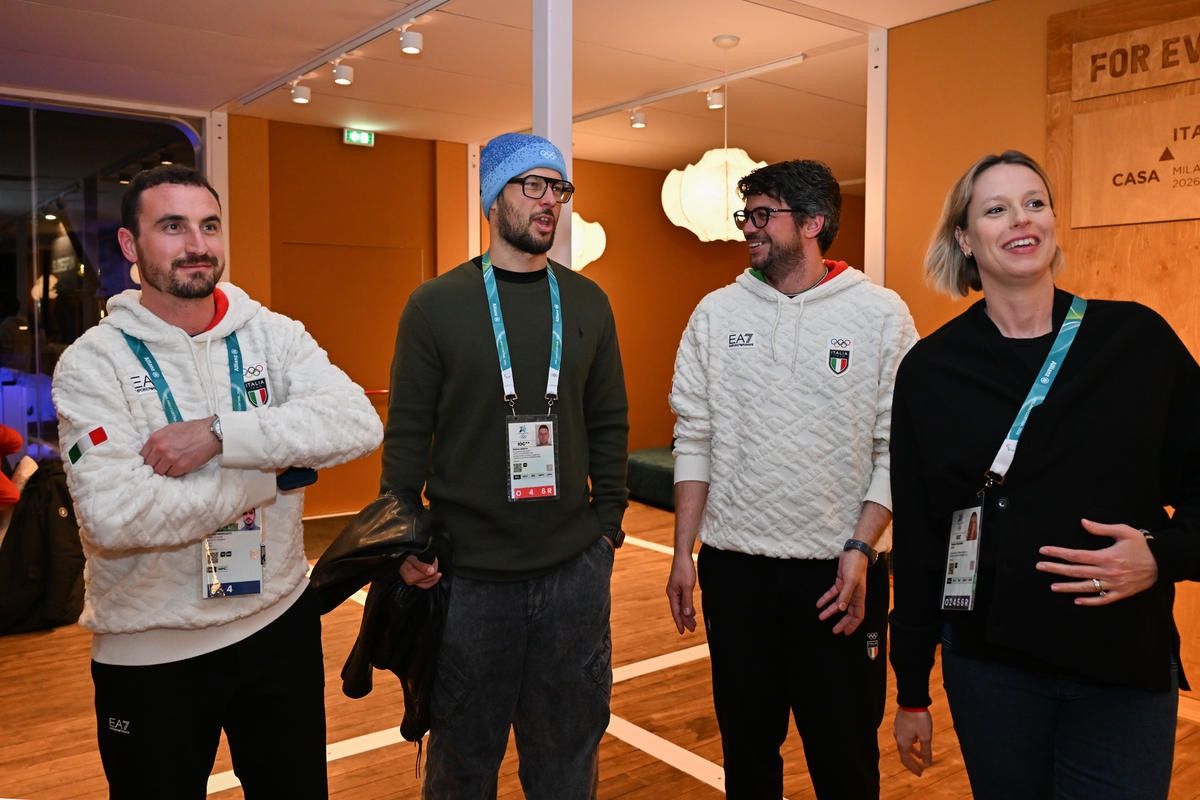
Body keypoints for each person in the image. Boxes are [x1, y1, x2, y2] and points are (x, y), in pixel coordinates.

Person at [52, 164, 383, 799]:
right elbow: (115, 517)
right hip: (152, 651)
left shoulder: (272, 334)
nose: (196, 244)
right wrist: (269, 476)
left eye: (209, 226)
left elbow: (356, 422)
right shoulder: (92, 363)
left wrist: (221, 434)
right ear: (130, 245)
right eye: (172, 227)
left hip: (278, 624)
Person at [889, 150, 1200, 800]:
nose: (1021, 219)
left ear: (1054, 222)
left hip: (1122, 665)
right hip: (992, 672)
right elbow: (921, 540)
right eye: (996, 209)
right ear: (965, 239)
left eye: (1035, 203)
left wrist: (1161, 556)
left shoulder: (1135, 342)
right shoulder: (931, 371)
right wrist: (912, 686)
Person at [382, 132, 629, 798]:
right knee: (462, 765)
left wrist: (607, 525)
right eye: (533, 185)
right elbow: (407, 434)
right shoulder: (435, 305)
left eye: (559, 188)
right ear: (494, 198)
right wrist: (403, 539)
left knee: (567, 761)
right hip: (468, 580)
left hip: (572, 575)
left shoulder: (587, 302)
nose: (550, 201)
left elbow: (609, 419)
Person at [667, 159, 917, 799]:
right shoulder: (715, 313)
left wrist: (860, 548)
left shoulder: (881, 315)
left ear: (812, 222)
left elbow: (898, 447)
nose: (749, 228)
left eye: (762, 215)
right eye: (745, 215)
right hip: (735, 573)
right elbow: (694, 438)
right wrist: (683, 553)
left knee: (845, 760)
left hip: (839, 577)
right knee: (748, 755)